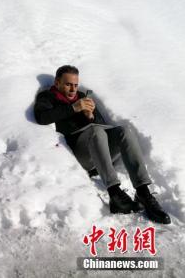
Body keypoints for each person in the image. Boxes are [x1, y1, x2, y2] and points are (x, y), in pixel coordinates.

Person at [34, 65, 170, 224]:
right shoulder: (48, 97)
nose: (73, 89)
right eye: (68, 84)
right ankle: (114, 192)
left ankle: (143, 192)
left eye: (75, 85)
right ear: (57, 83)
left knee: (124, 131)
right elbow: (42, 117)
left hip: (98, 146)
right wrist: (73, 108)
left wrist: (90, 116)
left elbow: (99, 124)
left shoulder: (82, 97)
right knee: (96, 132)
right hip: (79, 153)